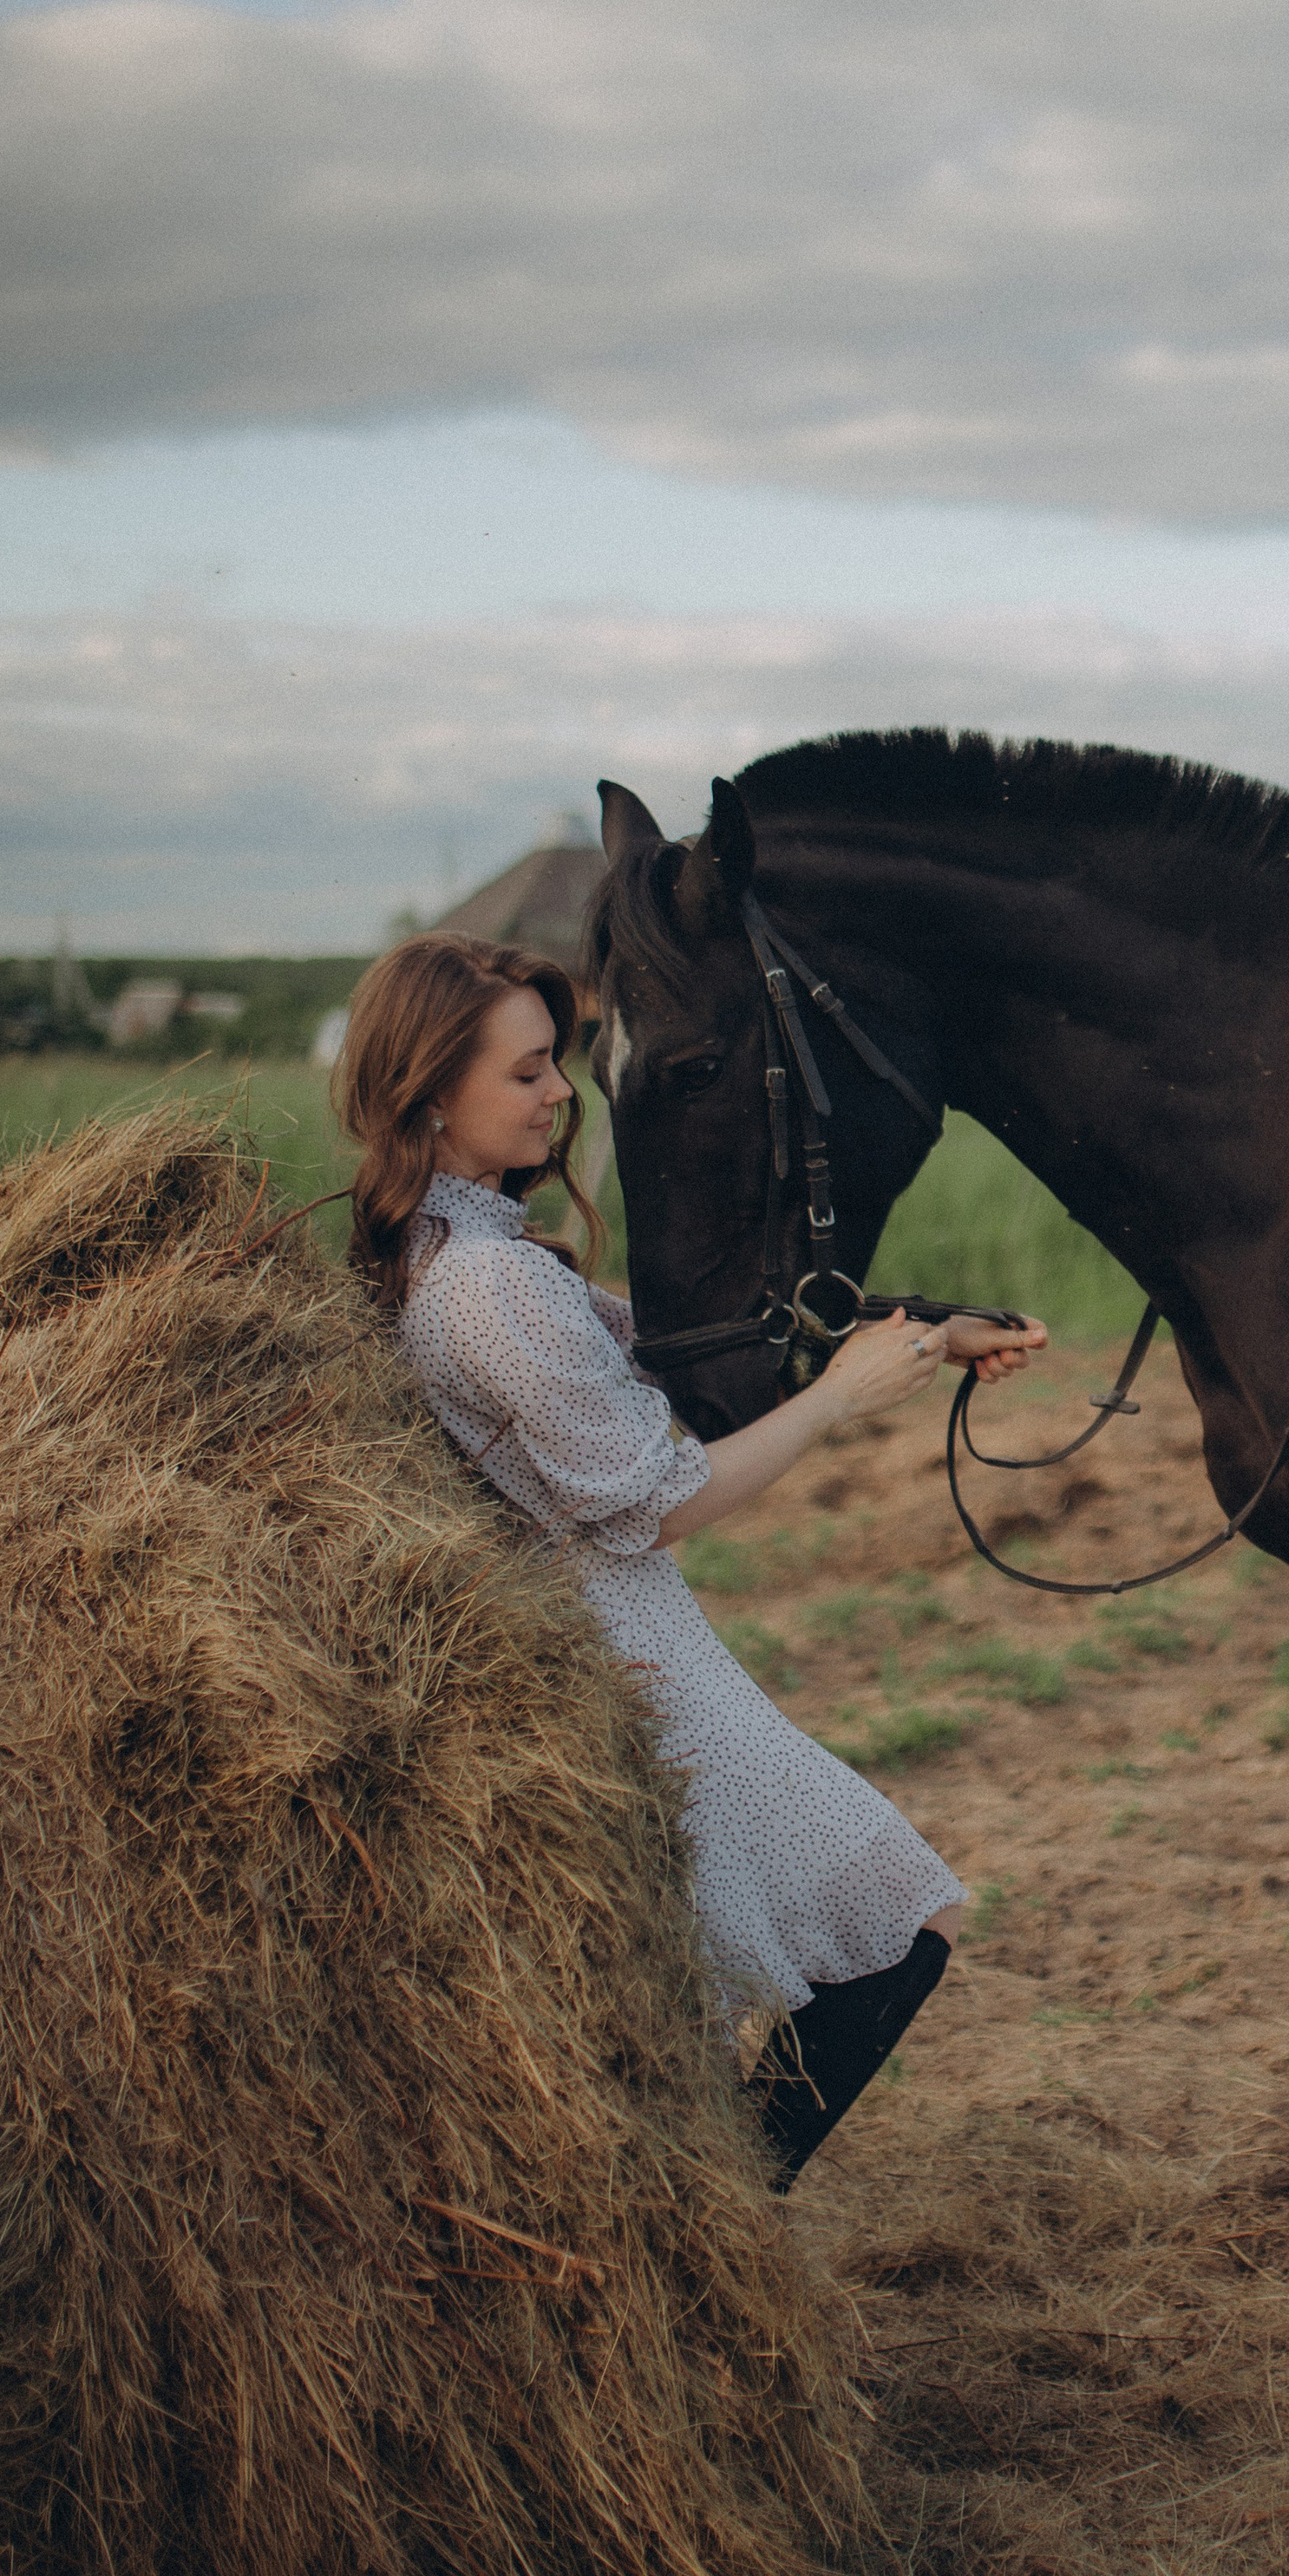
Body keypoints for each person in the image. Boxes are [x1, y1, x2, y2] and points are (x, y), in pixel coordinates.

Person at [333, 931, 1045, 2181]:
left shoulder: (465, 1257)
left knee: (714, 1996)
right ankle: (729, 2213)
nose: (563, 1093)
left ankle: (710, 2212)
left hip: (622, 1651)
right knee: (897, 1921)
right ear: (432, 1094)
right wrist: (838, 1404)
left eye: (562, 1064)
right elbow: (658, 1502)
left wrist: (933, 1327)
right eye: (532, 1071)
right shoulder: (488, 1289)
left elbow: (687, 1347)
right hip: (627, 1669)